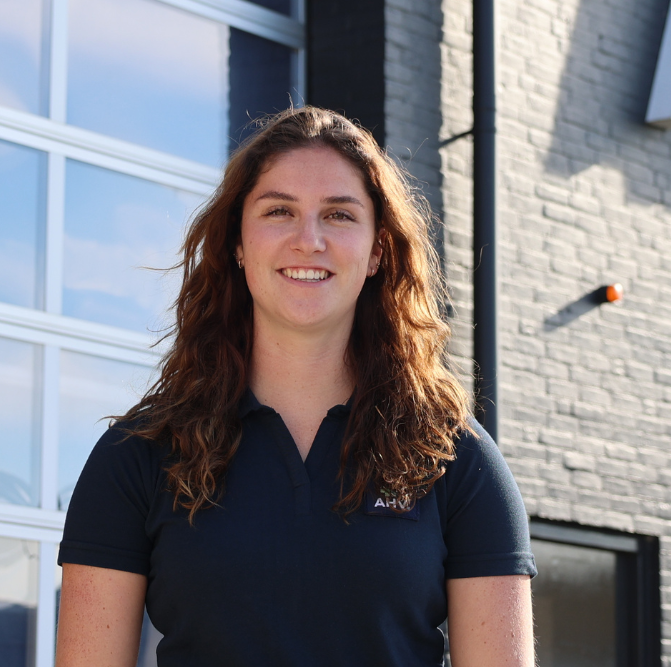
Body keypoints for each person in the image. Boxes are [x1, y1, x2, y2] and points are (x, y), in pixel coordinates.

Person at [56, 106, 537, 667]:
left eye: (339, 215)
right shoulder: (138, 454)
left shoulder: (455, 458)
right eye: (279, 211)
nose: (309, 240)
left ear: (377, 250)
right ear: (238, 244)